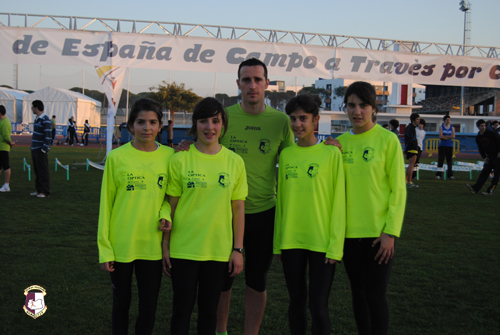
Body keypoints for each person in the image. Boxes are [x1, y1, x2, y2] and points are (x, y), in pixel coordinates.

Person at [162, 97, 247, 335]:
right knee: (181, 310)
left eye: (215, 121)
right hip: (183, 249)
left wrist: (237, 249)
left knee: (209, 312)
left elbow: (238, 209)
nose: (209, 127)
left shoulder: (235, 162)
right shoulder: (180, 159)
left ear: (223, 125)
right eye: (203, 121)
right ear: (194, 124)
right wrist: (166, 245)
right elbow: (172, 206)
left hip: (218, 251)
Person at [97, 98, 175, 335]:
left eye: (152, 122)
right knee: (121, 303)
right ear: (130, 126)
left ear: (160, 126)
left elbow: (170, 197)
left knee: (148, 307)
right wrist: (105, 249)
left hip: (151, 245)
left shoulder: (170, 157)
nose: (147, 128)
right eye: (141, 122)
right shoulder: (116, 158)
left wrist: (164, 214)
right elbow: (106, 206)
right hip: (121, 245)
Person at [337, 82, 406, 335]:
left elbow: (398, 190)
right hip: (349, 234)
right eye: (352, 105)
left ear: (373, 108)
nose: (357, 111)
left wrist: (390, 233)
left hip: (379, 235)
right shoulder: (339, 144)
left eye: (363, 105)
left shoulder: (388, 140)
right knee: (358, 293)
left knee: (375, 295)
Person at [273, 94, 346, 335]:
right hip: (291, 241)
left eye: (303, 118)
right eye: (293, 119)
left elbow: (339, 202)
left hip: (321, 243)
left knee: (318, 306)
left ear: (316, 120)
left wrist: (335, 246)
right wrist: (277, 245)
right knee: (296, 302)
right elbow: (282, 201)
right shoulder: (286, 155)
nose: (297, 125)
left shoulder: (331, 154)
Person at [466, 119, 500, 196]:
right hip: (489, 157)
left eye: (484, 125)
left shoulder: (491, 133)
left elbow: (499, 141)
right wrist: (484, 157)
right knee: (484, 173)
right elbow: (480, 149)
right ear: (478, 127)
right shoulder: (478, 138)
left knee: (496, 175)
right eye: (482, 126)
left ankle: (491, 190)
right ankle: (475, 189)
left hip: (497, 156)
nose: (484, 127)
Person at [30, 100, 52, 198]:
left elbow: (48, 136)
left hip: (40, 150)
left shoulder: (45, 120)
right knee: (37, 171)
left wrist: (44, 149)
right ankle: (39, 190)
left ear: (36, 108)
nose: (32, 109)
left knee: (43, 171)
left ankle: (45, 191)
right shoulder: (37, 119)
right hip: (35, 149)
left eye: (32, 107)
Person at [436, 115, 455, 180]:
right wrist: (448, 137)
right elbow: (440, 136)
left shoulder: (452, 128)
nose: (448, 121)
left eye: (449, 120)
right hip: (442, 146)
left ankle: (450, 175)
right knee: (440, 160)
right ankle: (439, 174)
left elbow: (453, 136)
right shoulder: (441, 127)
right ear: (444, 120)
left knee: (449, 161)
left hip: (450, 146)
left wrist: (445, 136)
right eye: (447, 120)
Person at [404, 113, 420, 188]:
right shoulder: (411, 128)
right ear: (413, 120)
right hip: (412, 148)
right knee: (411, 165)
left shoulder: (411, 127)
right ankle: (409, 182)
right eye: (417, 119)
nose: (418, 121)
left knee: (410, 165)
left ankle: (405, 181)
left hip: (411, 148)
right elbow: (410, 140)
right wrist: (406, 149)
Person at [0, 105, 14, 192]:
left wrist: (10, 143)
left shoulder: (5, 122)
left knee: (6, 166)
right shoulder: (2, 121)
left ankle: (6, 185)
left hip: (3, 148)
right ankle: (5, 185)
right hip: (1, 147)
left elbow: (6, 136)